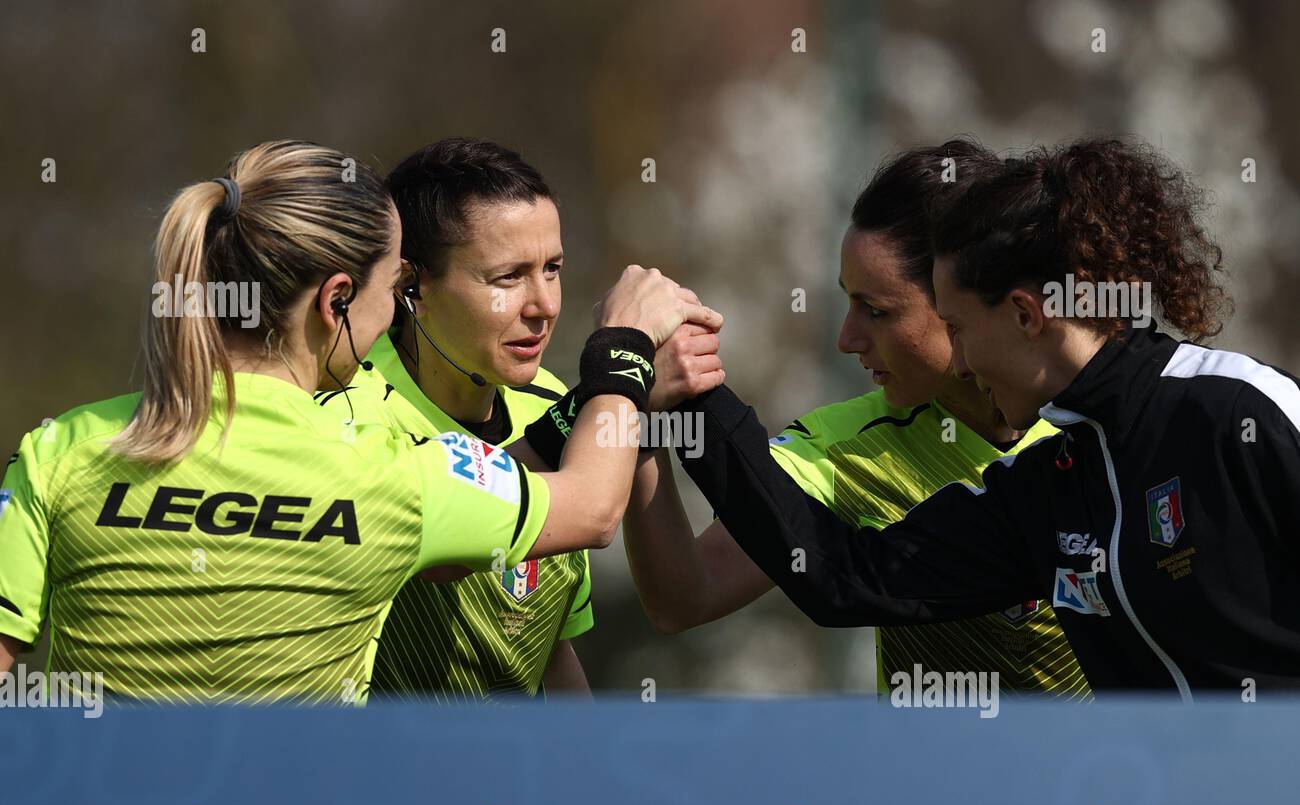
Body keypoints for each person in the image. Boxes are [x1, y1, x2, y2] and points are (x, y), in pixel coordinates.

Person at [0, 140, 719, 703]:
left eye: (553, 269)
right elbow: (591, 509)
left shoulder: (61, 447)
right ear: (337, 301)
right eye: (392, 288)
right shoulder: (385, 470)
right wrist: (623, 355)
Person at [669, 137, 1300, 697]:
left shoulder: (1239, 412)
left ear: (1026, 315)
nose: (962, 361)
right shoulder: (1048, 484)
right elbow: (848, 578)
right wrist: (697, 396)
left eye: (959, 328)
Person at [616, 141, 1089, 697]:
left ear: (957, 297)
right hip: (930, 785)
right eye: (848, 303)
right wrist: (641, 414)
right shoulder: (848, 445)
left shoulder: (1102, 422)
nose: (847, 339)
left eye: (878, 311)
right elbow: (683, 598)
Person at [315, 138, 596, 701]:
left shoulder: (550, 400)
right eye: (508, 277)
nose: (544, 305)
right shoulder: (346, 417)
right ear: (409, 286)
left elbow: (552, 648)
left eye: (553, 269)